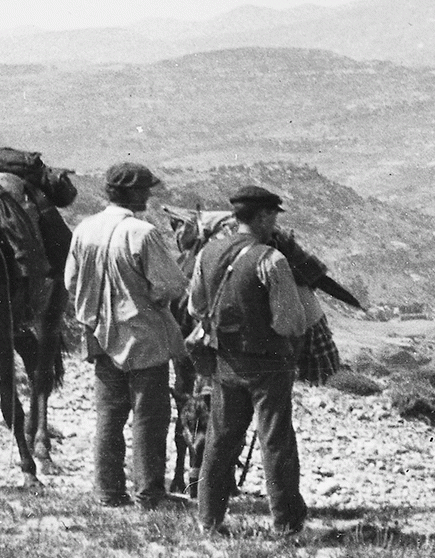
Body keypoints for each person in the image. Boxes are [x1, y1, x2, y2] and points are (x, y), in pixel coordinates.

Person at [64, 162, 187, 508]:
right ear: (133, 193)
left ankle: (108, 490)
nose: (148, 194)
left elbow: (71, 283)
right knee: (149, 416)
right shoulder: (141, 232)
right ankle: (149, 493)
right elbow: (172, 284)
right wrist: (152, 300)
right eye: (145, 189)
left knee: (109, 416)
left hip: (101, 336)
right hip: (143, 335)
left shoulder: (84, 229)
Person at [189, 185, 309, 538]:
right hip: (269, 365)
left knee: (221, 438)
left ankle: (208, 519)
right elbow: (290, 322)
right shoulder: (271, 260)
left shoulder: (207, 254)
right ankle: (286, 524)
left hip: (226, 362)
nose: (274, 223)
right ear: (261, 216)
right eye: (271, 215)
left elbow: (196, 306)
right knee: (276, 441)